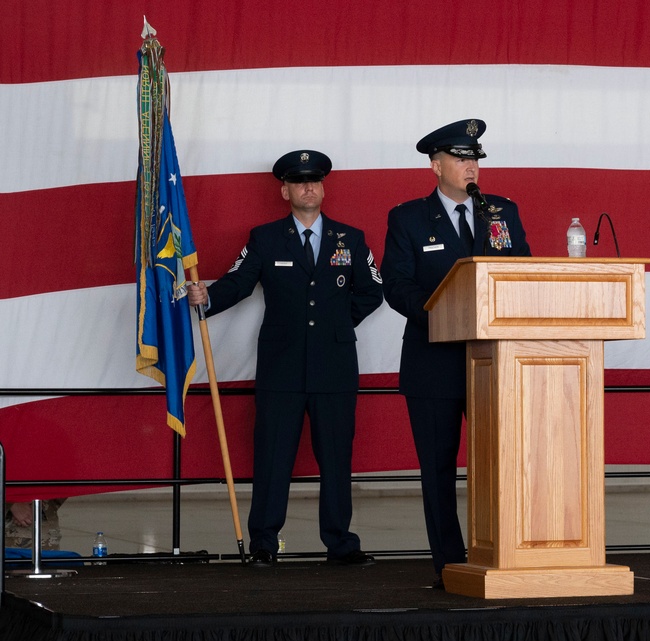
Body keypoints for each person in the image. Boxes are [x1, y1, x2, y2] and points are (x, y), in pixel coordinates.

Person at [187, 150, 383, 567]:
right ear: (285, 190)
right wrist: (208, 297)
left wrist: (335, 324)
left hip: (334, 367)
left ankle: (340, 543)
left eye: (315, 181)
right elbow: (240, 281)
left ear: (323, 187)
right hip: (281, 365)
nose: (309, 187)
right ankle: (264, 542)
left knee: (335, 458)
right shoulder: (265, 238)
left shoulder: (351, 238)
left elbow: (372, 290)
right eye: (299, 182)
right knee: (273, 456)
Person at [380, 119, 531, 587]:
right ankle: (449, 564)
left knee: (499, 462)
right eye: (461, 159)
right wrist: (442, 318)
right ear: (436, 165)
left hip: (495, 362)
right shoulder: (407, 218)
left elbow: (521, 272)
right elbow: (397, 286)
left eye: (475, 159)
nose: (471, 167)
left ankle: (502, 555)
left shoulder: (501, 212)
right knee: (439, 468)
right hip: (434, 362)